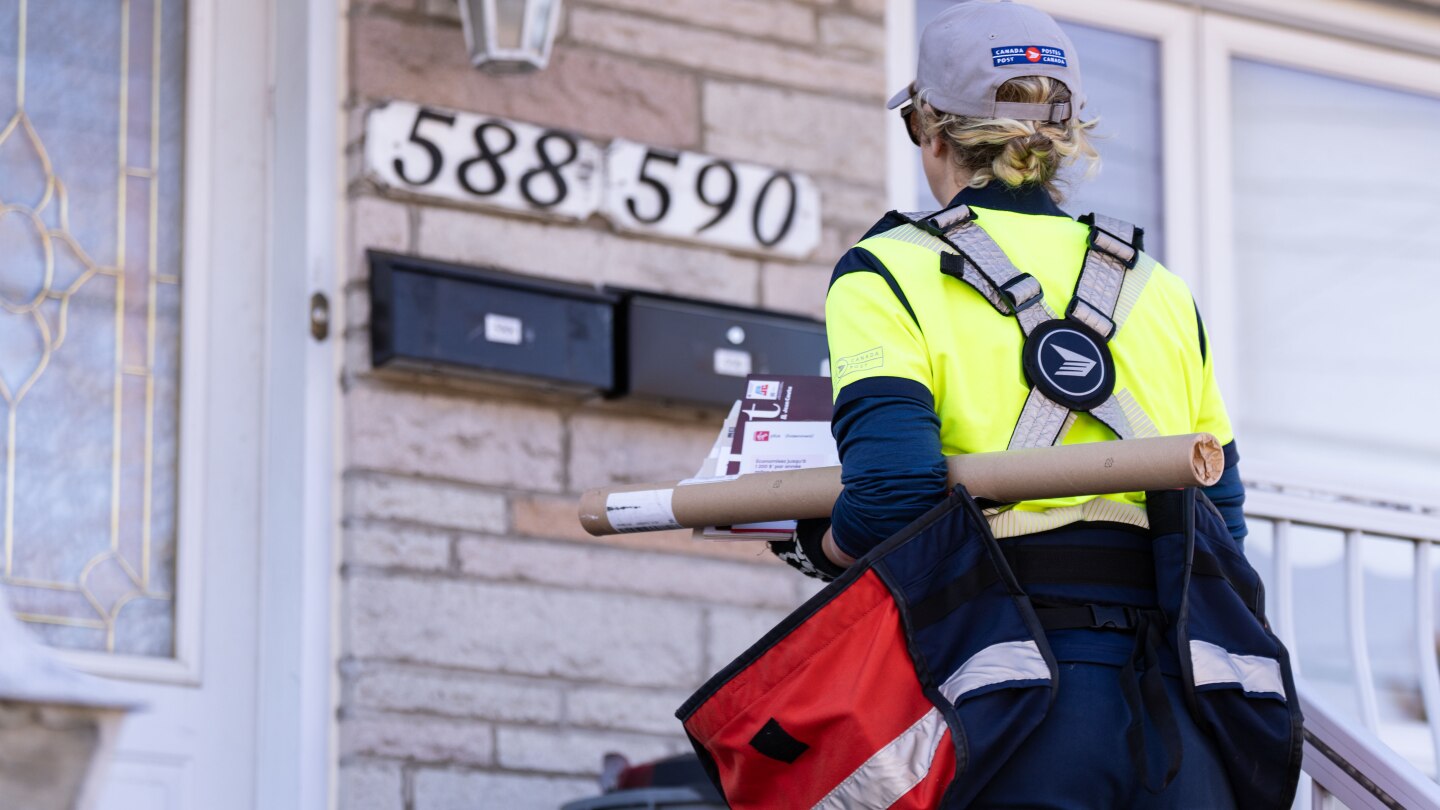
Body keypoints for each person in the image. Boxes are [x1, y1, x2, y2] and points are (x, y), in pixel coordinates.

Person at [763, 1, 1293, 807]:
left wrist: (817, 544)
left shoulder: (887, 270)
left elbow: (893, 498)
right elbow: (1221, 515)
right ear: (1068, 136)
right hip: (1185, 708)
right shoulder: (1159, 290)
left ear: (930, 131)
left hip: (1012, 690)